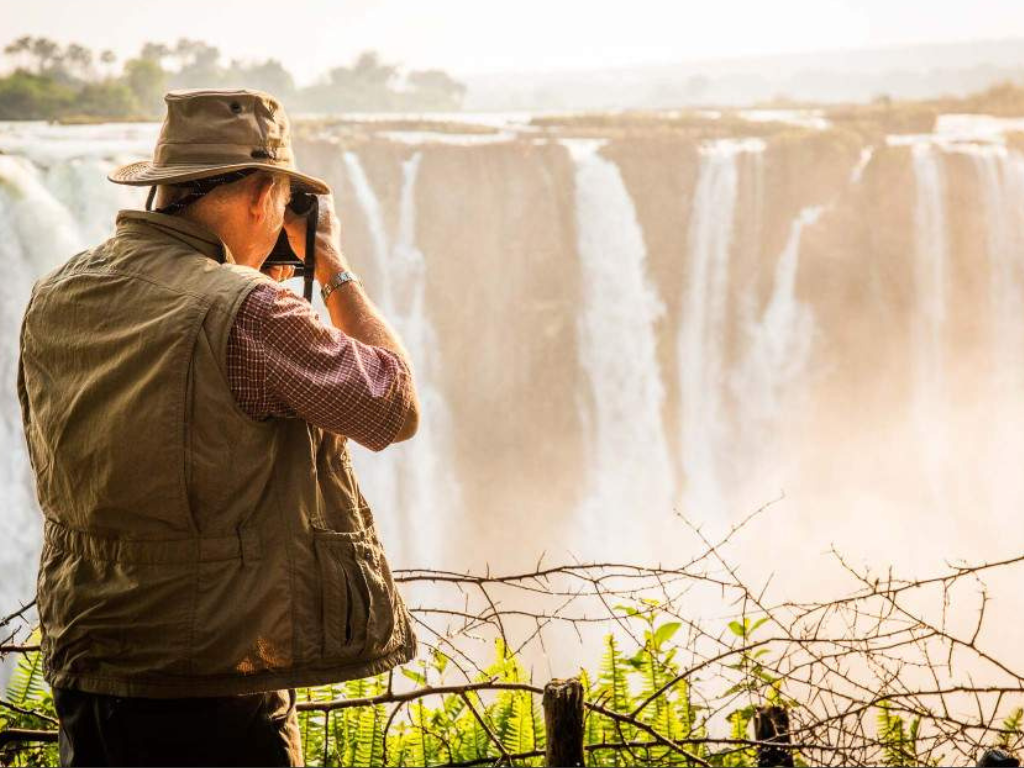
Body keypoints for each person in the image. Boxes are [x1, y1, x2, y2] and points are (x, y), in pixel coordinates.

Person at [16, 88, 421, 766]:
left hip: (89, 665)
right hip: (213, 683)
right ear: (264, 194)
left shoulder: (59, 290)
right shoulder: (249, 312)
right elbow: (391, 404)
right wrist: (332, 267)